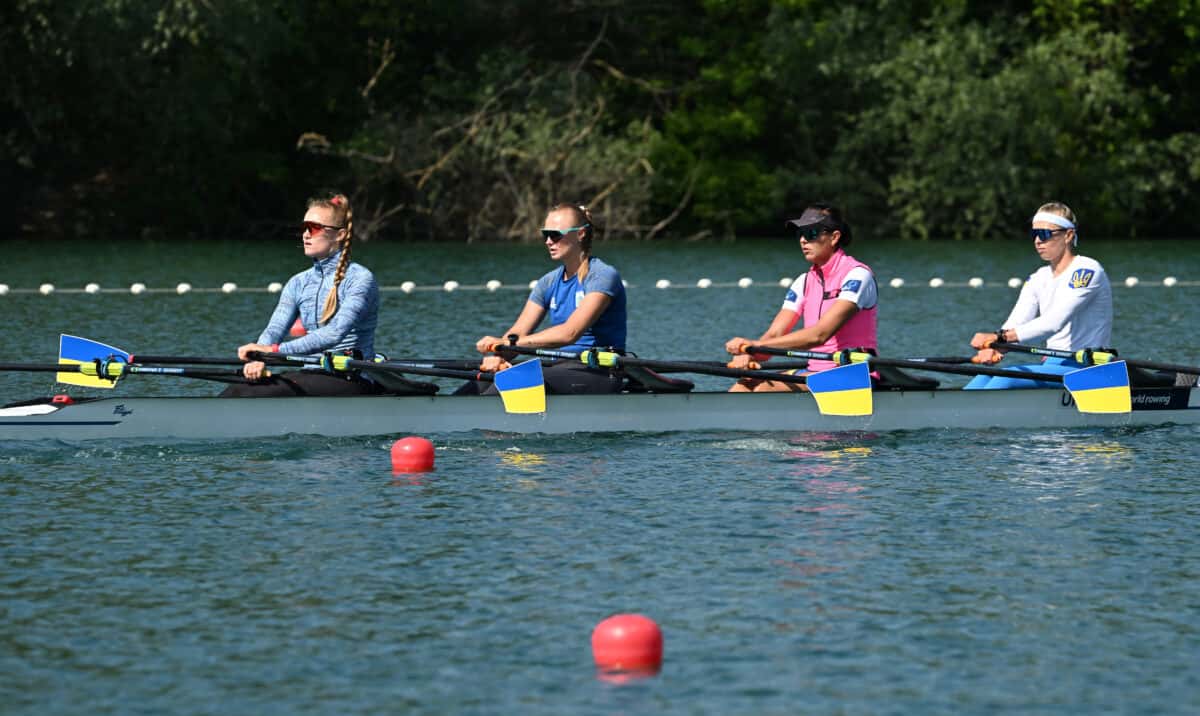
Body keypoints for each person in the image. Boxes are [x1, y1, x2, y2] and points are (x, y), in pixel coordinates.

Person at [221, 192, 382, 397]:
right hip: (311, 374)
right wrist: (259, 356)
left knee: (246, 394)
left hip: (352, 378)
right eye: (304, 228)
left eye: (313, 228)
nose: (306, 234)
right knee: (236, 390)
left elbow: (333, 334)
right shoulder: (297, 283)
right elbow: (274, 330)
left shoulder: (360, 279)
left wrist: (274, 352)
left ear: (339, 234)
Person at [460, 203, 626, 395]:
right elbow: (517, 333)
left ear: (580, 234)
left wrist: (511, 345)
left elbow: (569, 333)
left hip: (599, 371)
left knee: (504, 387)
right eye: (545, 234)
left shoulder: (602, 276)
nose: (548, 241)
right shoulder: (548, 282)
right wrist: (499, 355)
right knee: (476, 385)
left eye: (555, 235)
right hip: (559, 368)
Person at [724, 203, 878, 392]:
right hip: (814, 372)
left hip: (853, 374)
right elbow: (775, 334)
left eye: (811, 233)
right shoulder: (803, 282)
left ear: (834, 237)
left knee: (759, 388)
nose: (803, 240)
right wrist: (751, 354)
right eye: (800, 234)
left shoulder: (857, 275)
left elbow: (819, 334)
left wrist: (756, 345)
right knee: (745, 383)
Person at [966, 201, 1112, 389]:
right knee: (983, 378)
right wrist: (995, 347)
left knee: (1006, 378)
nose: (1037, 241)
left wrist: (999, 338)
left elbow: (1053, 322)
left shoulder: (1086, 270)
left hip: (1087, 367)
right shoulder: (1037, 278)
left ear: (1068, 235)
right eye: (1034, 234)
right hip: (1052, 364)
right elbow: (1017, 322)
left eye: (1044, 234)